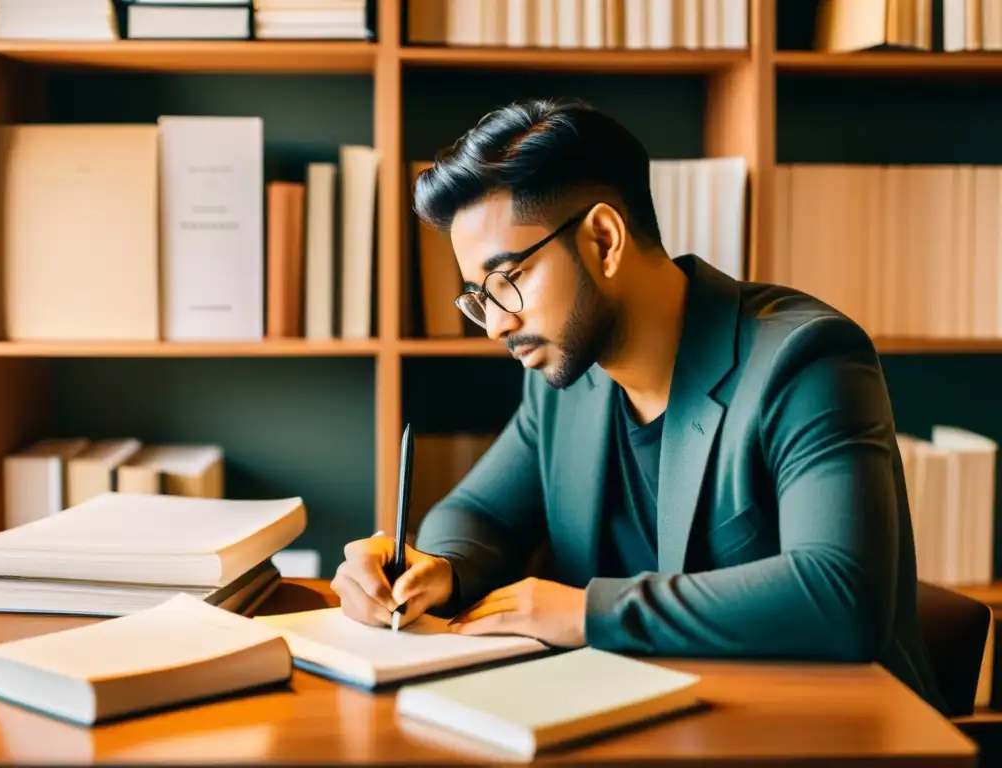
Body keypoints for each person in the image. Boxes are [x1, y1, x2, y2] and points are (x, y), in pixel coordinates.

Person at [330, 97, 946, 713]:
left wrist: (588, 613)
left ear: (603, 239)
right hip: (646, 722)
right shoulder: (565, 383)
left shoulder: (806, 359)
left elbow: (840, 597)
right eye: (478, 296)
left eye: (508, 280)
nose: (495, 324)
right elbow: (477, 512)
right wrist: (438, 568)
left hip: (821, 733)